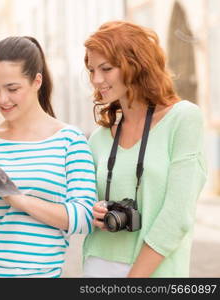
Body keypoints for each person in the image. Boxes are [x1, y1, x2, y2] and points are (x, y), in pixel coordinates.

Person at [0, 36, 97, 278]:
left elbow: (85, 217)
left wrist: (18, 199)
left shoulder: (69, 140)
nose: (2, 99)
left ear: (37, 81)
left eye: (12, 89)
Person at [82, 21, 207, 277]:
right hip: (97, 266)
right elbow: (81, 206)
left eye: (106, 68)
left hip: (155, 272)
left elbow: (177, 216)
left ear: (135, 64)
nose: (96, 79)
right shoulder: (99, 138)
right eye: (92, 70)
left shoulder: (183, 119)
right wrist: (92, 211)